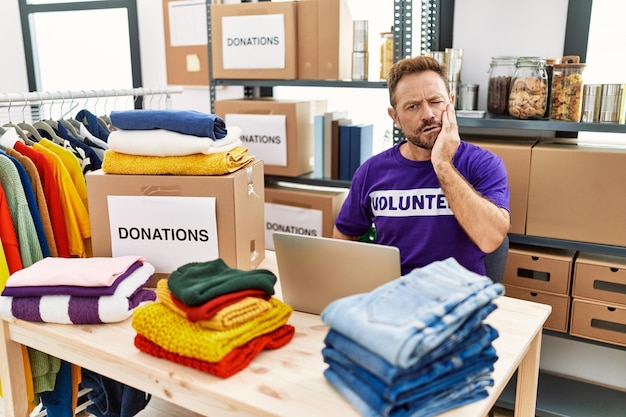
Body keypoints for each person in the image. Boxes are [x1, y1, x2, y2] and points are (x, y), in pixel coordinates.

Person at [333, 55, 511, 277]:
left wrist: (443, 164)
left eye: (436, 101)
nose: (428, 114)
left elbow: (491, 239)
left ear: (451, 103)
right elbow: (344, 235)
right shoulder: (371, 172)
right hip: (394, 295)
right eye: (413, 106)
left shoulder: (483, 164)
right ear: (395, 117)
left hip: (460, 300)